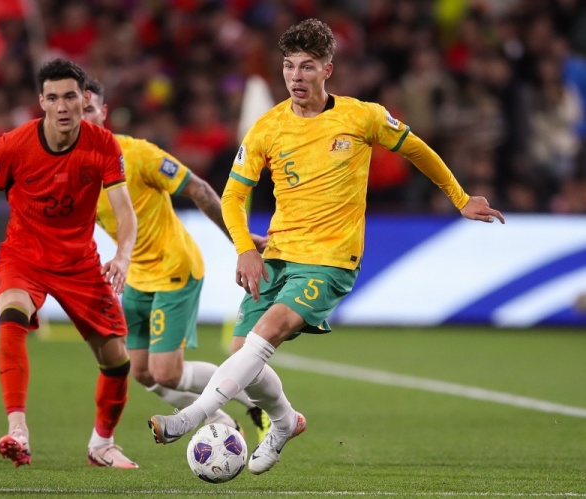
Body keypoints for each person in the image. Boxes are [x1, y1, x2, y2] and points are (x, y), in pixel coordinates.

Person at [148, 18, 506, 475]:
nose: (296, 76)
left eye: (307, 66)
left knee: (268, 332)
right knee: (243, 358)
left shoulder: (362, 117)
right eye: (289, 66)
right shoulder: (267, 128)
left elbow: (416, 149)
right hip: (278, 254)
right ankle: (285, 422)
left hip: (331, 260)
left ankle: (189, 418)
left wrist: (460, 198)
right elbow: (233, 195)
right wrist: (244, 249)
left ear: (327, 70)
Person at [0, 59, 139, 469]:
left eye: (70, 97)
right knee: (12, 316)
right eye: (53, 98)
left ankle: (102, 444)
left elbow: (125, 213)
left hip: (79, 263)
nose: (62, 106)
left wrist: (122, 256)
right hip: (24, 257)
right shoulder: (14, 144)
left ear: (84, 99)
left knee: (117, 360)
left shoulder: (103, 145)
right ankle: (18, 430)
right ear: (41, 102)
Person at [82, 79, 271, 441]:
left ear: (103, 113)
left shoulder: (138, 154)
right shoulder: (70, 172)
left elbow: (199, 189)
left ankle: (255, 405)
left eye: (89, 109)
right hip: (135, 277)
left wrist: (242, 241)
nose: (82, 117)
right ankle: (222, 420)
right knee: (142, 372)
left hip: (174, 268)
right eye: (77, 110)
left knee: (167, 372)